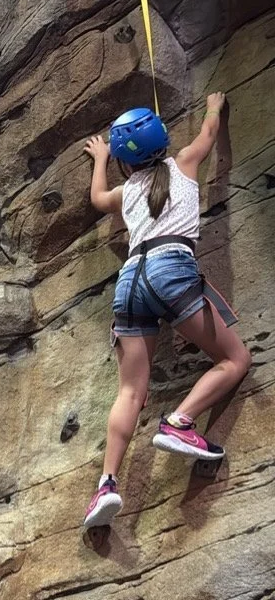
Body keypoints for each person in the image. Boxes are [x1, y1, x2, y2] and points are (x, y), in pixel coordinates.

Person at [82, 92, 251, 528]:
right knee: (235, 360)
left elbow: (98, 200)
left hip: (130, 279)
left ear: (125, 160)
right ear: (162, 141)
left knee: (130, 393)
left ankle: (106, 484)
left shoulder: (127, 189)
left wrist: (99, 157)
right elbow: (209, 133)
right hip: (170, 268)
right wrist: (214, 105)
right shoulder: (184, 164)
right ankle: (180, 421)